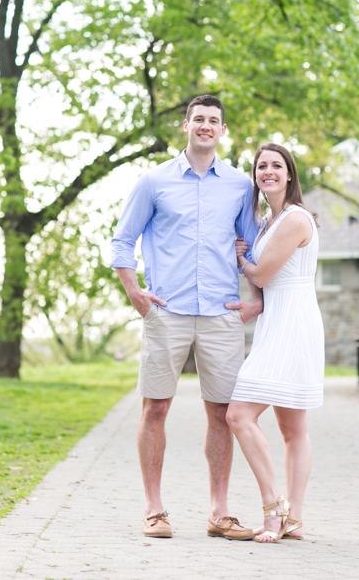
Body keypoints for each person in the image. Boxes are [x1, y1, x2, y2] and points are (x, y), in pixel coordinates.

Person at [110, 95, 263, 540]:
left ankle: (219, 513)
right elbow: (123, 240)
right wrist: (134, 291)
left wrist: (255, 300)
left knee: (222, 413)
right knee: (155, 408)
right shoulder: (153, 182)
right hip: (167, 310)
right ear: (186, 125)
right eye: (199, 119)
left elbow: (252, 247)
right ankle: (154, 511)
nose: (205, 126)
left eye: (213, 120)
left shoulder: (238, 185)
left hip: (220, 313)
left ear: (222, 129)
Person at [227, 142, 324, 543]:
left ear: (289, 174)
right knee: (292, 428)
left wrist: (241, 260)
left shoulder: (296, 219)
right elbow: (264, 283)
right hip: (276, 318)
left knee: (238, 414)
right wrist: (255, 301)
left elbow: (263, 274)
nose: (268, 171)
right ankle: (294, 521)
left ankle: (275, 507)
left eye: (275, 165)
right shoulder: (268, 220)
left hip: (293, 323)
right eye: (260, 166)